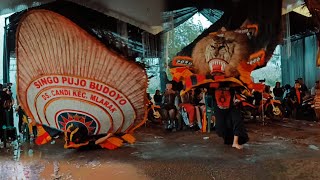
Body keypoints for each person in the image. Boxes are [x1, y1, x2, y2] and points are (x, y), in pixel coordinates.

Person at [213, 83, 249, 150]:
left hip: (232, 106)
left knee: (237, 120)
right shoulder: (211, 83)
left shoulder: (232, 81)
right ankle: (230, 139)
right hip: (219, 108)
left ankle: (235, 142)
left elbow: (241, 88)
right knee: (220, 128)